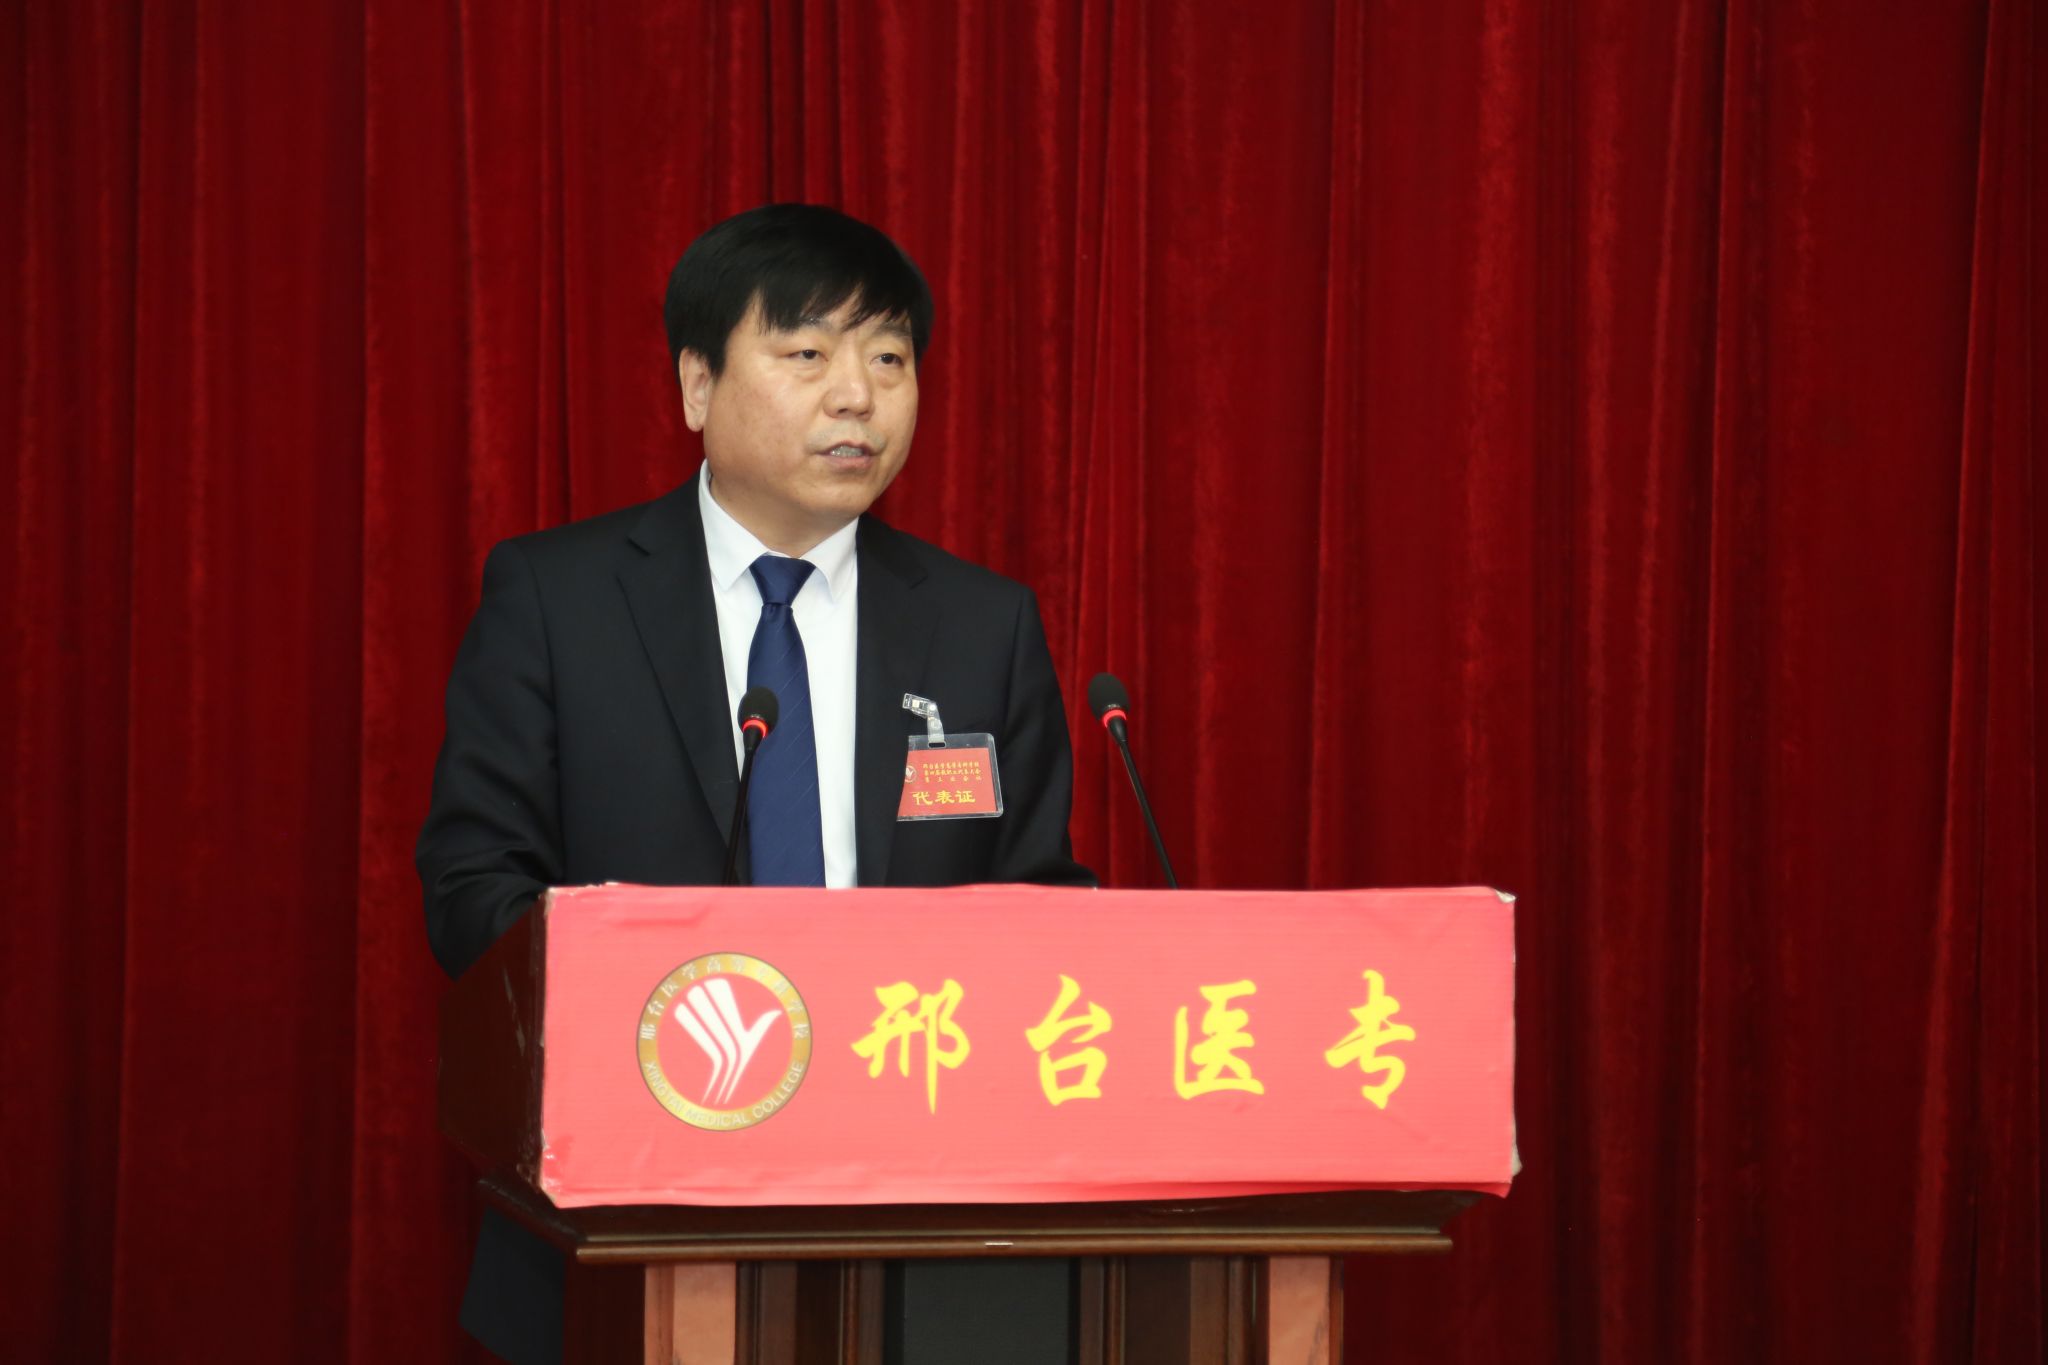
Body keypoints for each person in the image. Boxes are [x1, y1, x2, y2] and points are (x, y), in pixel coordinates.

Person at [417, 203, 1091, 1365]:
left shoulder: (983, 626)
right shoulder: (558, 600)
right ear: (696, 385)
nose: (856, 396)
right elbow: (473, 887)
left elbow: (1034, 900)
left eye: (889, 360)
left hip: (922, 1222)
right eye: (807, 354)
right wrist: (654, 1019)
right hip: (629, 1206)